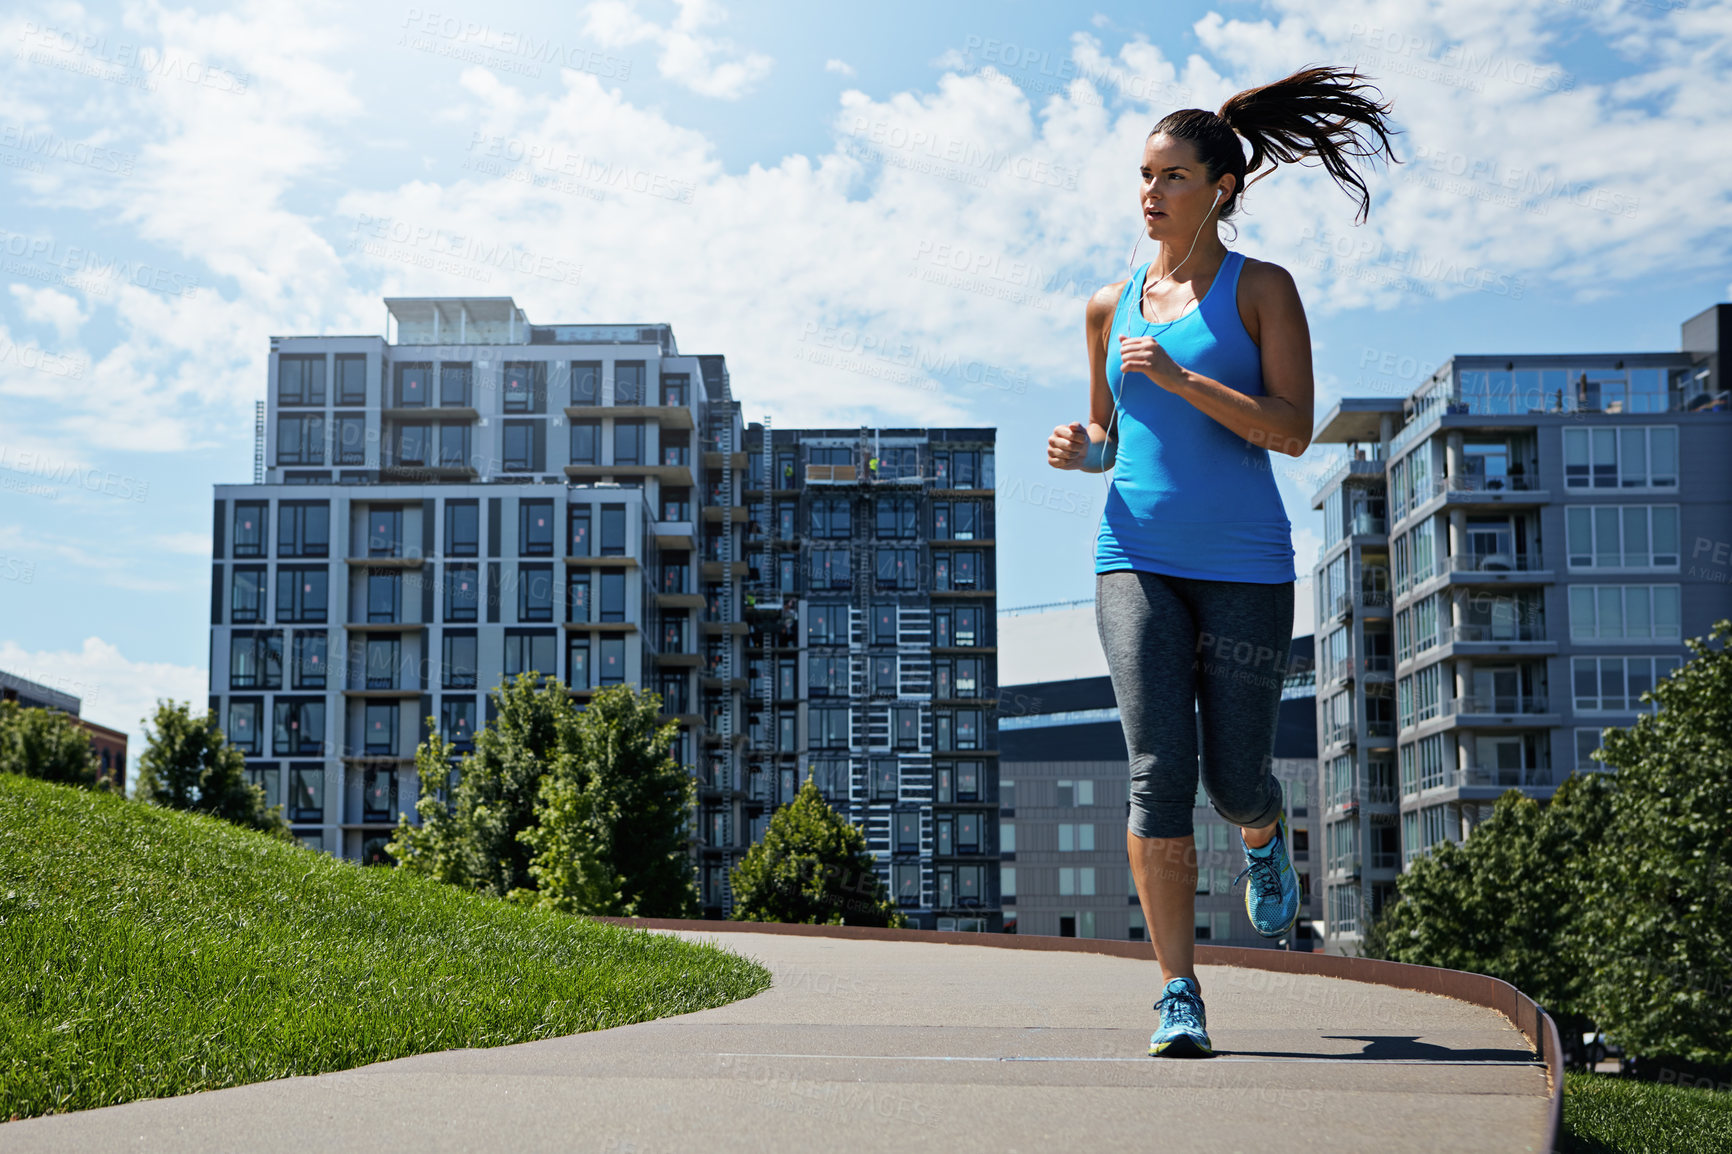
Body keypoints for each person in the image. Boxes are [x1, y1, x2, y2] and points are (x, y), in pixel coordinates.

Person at [1046, 65, 1397, 1059]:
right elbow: (1116, 432)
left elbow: (1290, 430)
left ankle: (1259, 829)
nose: (1149, 194)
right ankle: (1177, 991)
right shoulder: (1108, 305)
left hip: (1243, 563)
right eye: (1142, 176)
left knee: (1234, 776)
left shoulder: (1264, 291)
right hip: (1134, 553)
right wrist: (1085, 446)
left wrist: (1188, 377)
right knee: (1159, 770)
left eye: (1171, 176)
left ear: (1220, 188)